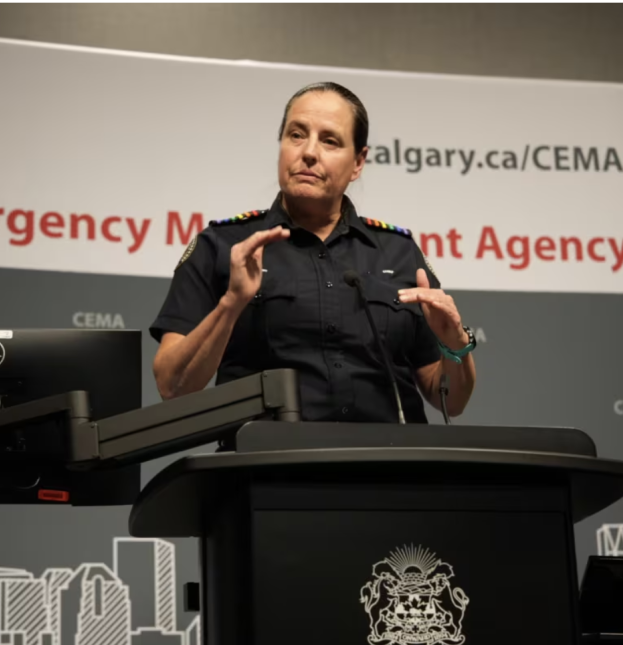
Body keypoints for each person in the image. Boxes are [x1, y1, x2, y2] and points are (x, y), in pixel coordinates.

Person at [149, 81, 476, 423]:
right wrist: (231, 304)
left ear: (358, 163)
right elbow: (173, 388)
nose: (308, 151)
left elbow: (450, 402)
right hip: (269, 466)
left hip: (387, 467)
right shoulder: (223, 246)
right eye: (296, 135)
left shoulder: (398, 251)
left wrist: (454, 344)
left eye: (330, 141)